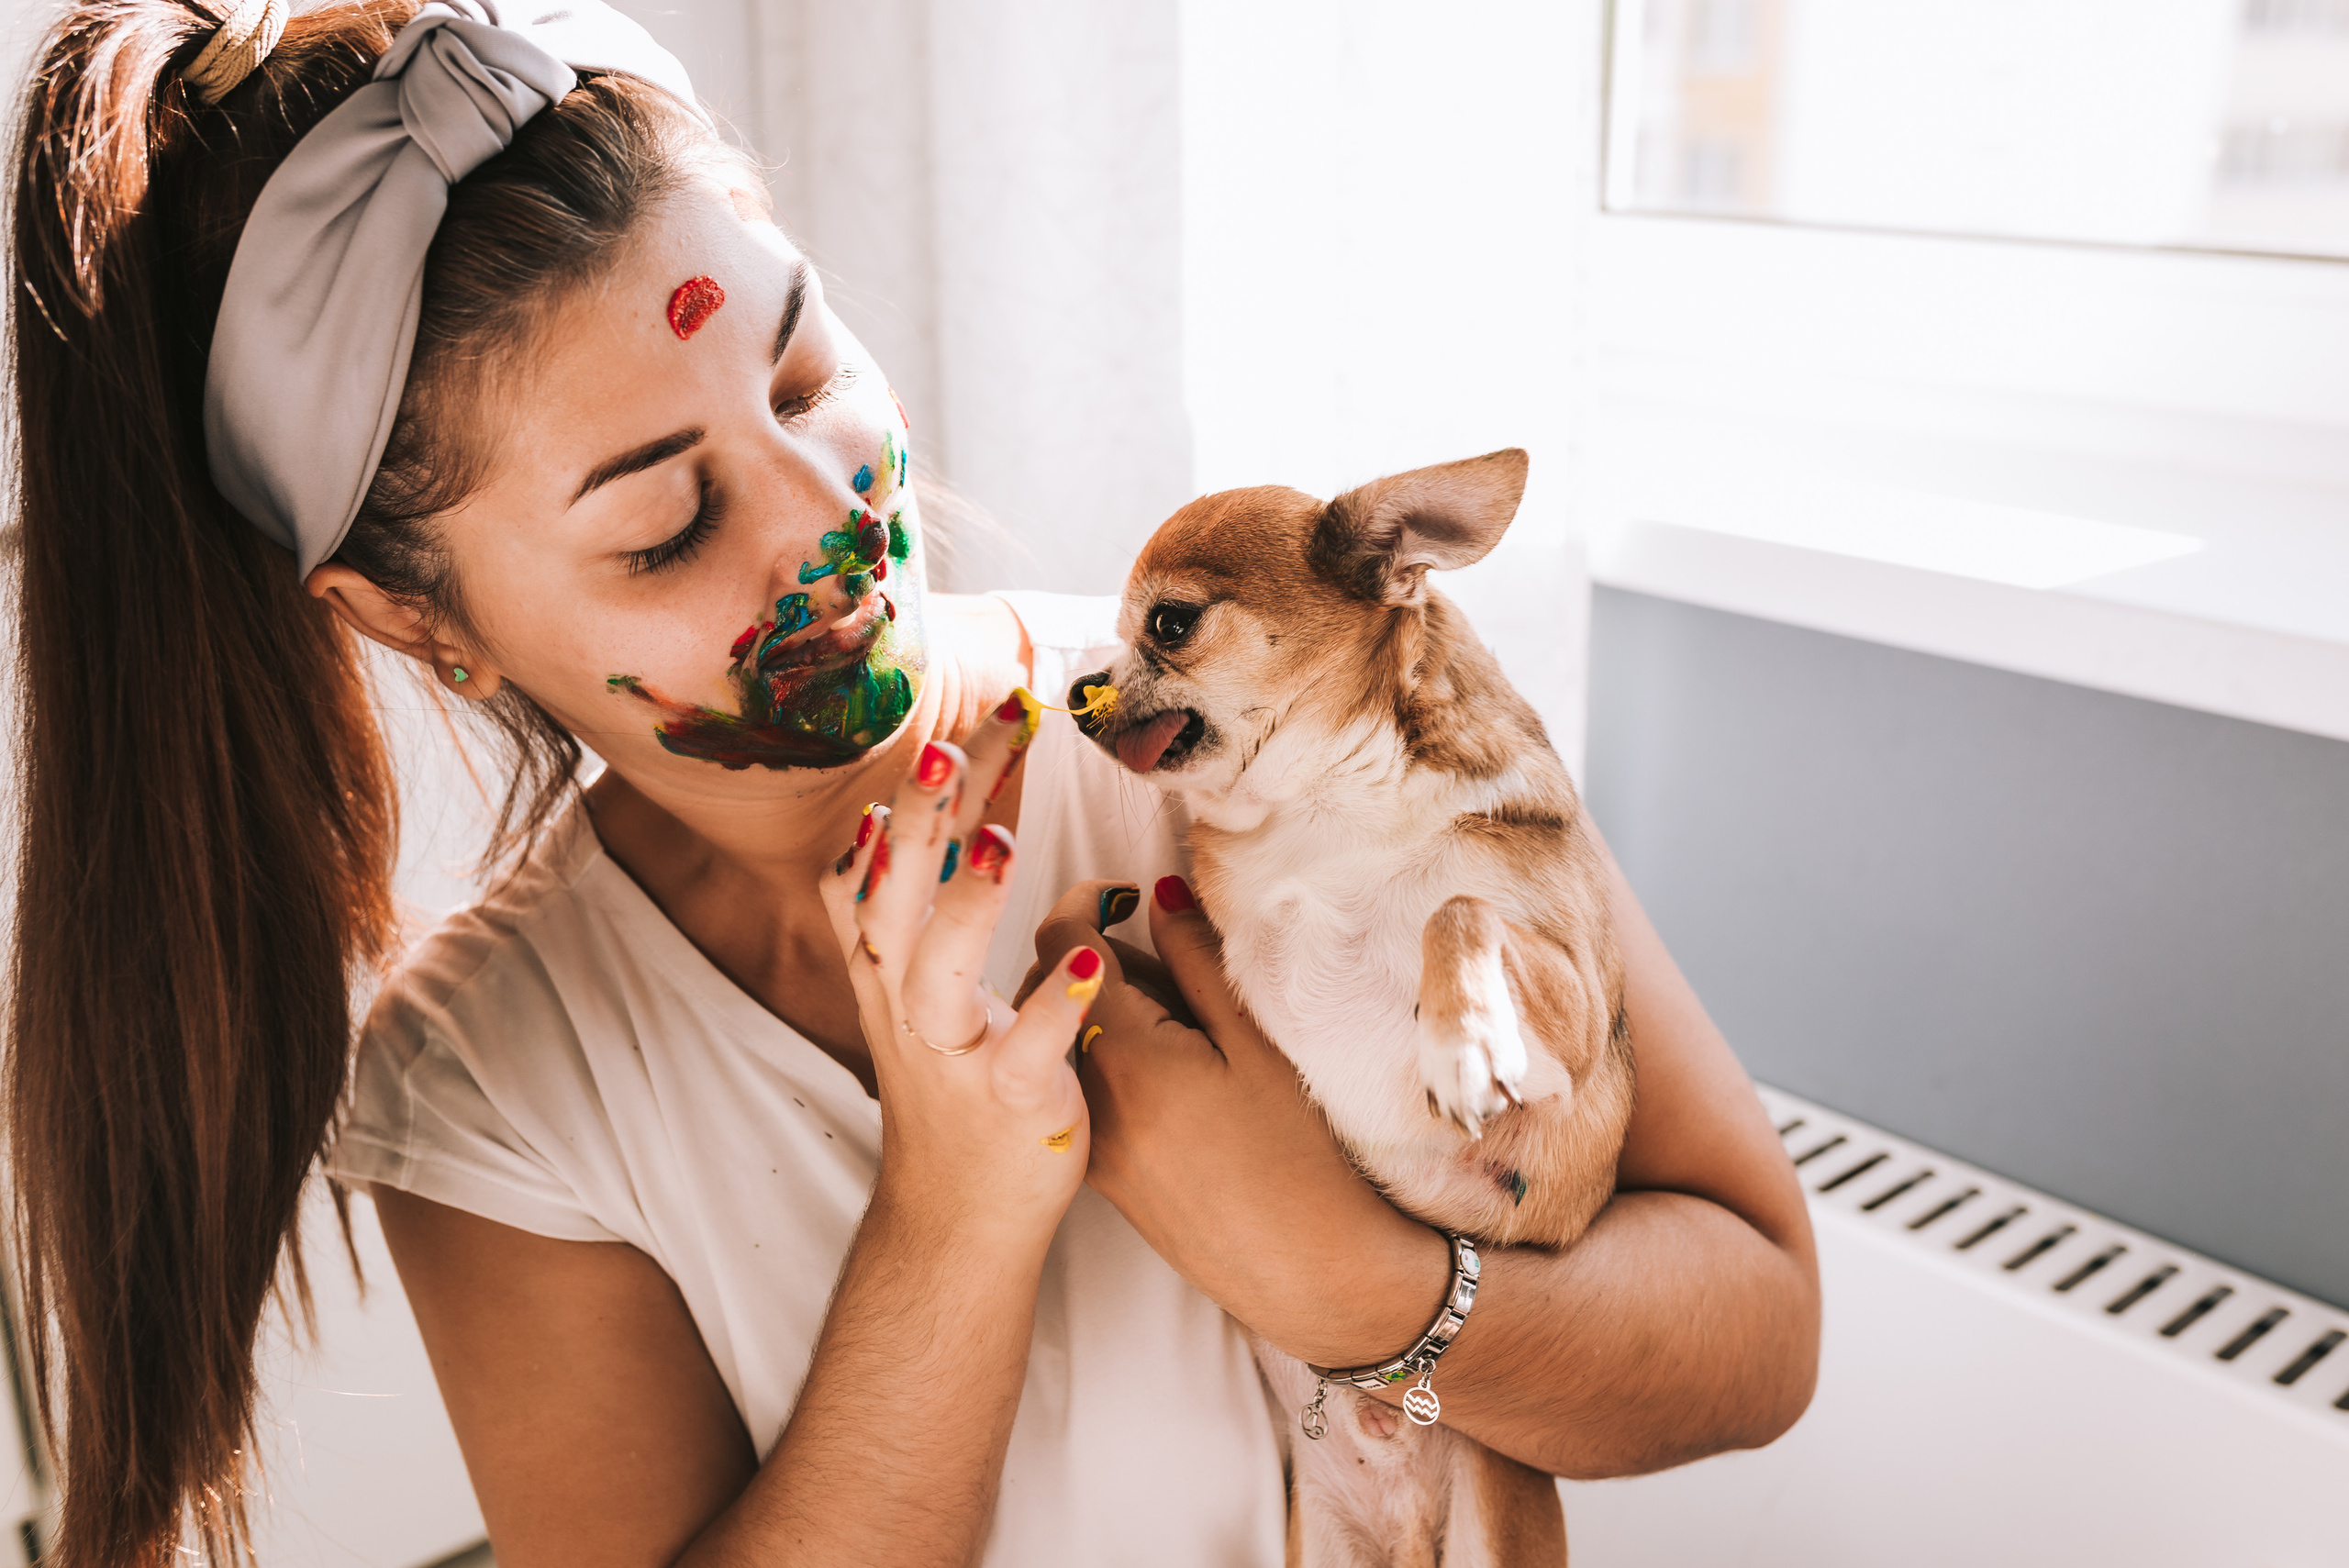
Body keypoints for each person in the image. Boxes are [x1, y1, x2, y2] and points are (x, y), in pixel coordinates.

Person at [4, 1, 1821, 1563]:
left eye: (796, 362)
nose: (830, 515)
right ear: (418, 623)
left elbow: (1755, 1330)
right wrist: (951, 1224)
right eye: (665, 521)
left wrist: (1356, 1284)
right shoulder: (496, 1091)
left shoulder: (1274, 721)